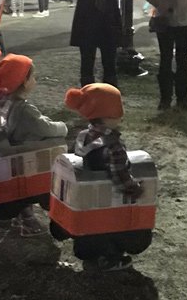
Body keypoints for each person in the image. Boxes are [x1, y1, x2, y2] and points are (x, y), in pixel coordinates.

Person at [64, 83, 146, 271]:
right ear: (111, 113)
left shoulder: (83, 135)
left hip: (85, 202)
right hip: (107, 202)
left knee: (92, 230)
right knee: (114, 227)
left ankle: (90, 252)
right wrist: (137, 188)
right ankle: (109, 258)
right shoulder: (113, 146)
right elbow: (120, 178)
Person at [0, 53, 68, 237]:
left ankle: (23, 217)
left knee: (23, 190)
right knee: (33, 189)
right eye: (33, 76)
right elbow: (44, 128)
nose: (36, 79)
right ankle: (29, 222)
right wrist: (62, 127)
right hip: (29, 153)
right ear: (24, 81)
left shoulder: (5, 102)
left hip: (15, 148)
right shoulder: (24, 109)